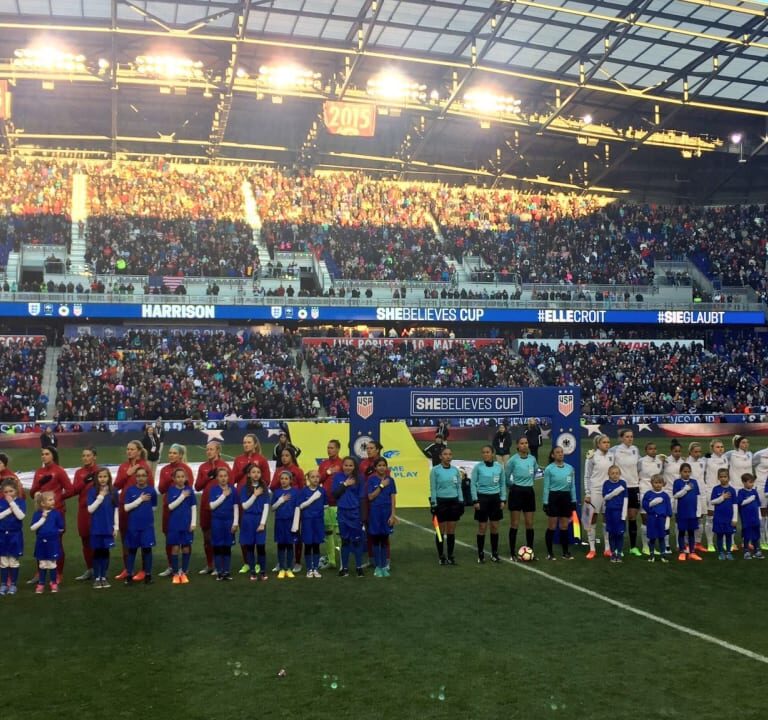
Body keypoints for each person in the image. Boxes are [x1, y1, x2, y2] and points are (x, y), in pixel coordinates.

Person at [30, 447, 72, 584]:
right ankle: (39, 572)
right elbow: (32, 492)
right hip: (41, 513)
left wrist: (58, 498)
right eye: (42, 454)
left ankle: (58, 573)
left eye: (47, 454)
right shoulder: (39, 472)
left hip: (57, 512)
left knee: (57, 542)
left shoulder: (59, 471)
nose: (44, 456)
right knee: (41, 540)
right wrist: (36, 493)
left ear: (53, 456)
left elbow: (70, 489)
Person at [113, 440, 153, 580]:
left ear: (138, 451)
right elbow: (116, 486)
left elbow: (151, 488)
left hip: (140, 509)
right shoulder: (123, 467)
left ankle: (143, 570)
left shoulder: (144, 467)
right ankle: (127, 569)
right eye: (127, 449)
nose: (128, 451)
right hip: (125, 507)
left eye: (131, 449)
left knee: (142, 539)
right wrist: (127, 474)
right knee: (125, 539)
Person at [194, 441, 230, 576]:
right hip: (205, 505)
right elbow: (197, 487)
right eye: (207, 449)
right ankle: (210, 564)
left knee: (218, 536)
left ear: (218, 451)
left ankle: (219, 565)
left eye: (211, 449)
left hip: (221, 507)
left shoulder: (224, 466)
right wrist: (208, 477)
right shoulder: (203, 467)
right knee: (207, 537)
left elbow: (230, 485)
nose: (208, 451)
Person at [157, 444, 194, 577]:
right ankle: (171, 566)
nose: (171, 455)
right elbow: (161, 489)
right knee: (170, 538)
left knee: (185, 540)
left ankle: (185, 567)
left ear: (180, 455)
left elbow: (189, 488)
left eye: (174, 453)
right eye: (170, 453)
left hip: (184, 511)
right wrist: (168, 481)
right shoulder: (164, 470)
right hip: (169, 509)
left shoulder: (186, 469)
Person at [470, 445, 506, 563]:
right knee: (482, 527)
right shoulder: (478, 468)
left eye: (487, 452)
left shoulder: (499, 467)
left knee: (495, 527)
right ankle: (480, 554)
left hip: (495, 499)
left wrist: (503, 499)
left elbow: (502, 484)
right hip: (482, 499)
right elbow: (473, 484)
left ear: (493, 454)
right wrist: (475, 500)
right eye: (483, 452)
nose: (485, 454)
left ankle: (494, 553)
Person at [429, 446, 463, 565]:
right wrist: (434, 504)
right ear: (440, 457)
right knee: (440, 532)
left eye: (450, 454)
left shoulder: (455, 470)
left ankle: (450, 555)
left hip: (453, 502)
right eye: (445, 454)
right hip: (441, 503)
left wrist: (461, 501)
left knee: (451, 531)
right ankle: (441, 556)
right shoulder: (435, 470)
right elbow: (433, 488)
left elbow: (458, 487)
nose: (448, 456)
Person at [505, 436, 538, 560]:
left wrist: (528, 483)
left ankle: (530, 551)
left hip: (529, 492)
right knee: (515, 523)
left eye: (526, 442)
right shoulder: (513, 460)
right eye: (522, 443)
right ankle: (512, 553)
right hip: (516, 492)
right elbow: (506, 477)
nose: (524, 445)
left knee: (529, 523)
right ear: (517, 446)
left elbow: (535, 472)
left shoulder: (532, 459)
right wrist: (512, 487)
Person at [123, 466, 157, 585]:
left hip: (147, 527)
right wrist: (140, 500)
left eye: (143, 475)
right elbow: (126, 508)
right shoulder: (130, 491)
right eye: (138, 476)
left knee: (147, 550)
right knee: (132, 551)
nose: (141, 478)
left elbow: (154, 507)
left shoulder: (152, 491)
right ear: (135, 478)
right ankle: (129, 575)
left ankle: (148, 575)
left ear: (147, 477)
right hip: (133, 526)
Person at [332, 456, 366, 577]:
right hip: (342, 513)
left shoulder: (360, 478)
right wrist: (345, 484)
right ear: (342, 466)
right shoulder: (338, 477)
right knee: (345, 541)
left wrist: (362, 517)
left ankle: (359, 567)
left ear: (354, 466)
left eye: (350, 465)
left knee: (357, 541)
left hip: (355, 514)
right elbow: (335, 494)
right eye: (346, 465)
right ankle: (344, 568)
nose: (348, 467)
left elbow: (362, 498)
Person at [542, 446, 577, 560]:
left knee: (564, 526)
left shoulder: (570, 468)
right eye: (557, 452)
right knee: (552, 526)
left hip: (566, 498)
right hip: (554, 498)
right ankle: (550, 553)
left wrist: (573, 500)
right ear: (553, 455)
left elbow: (572, 486)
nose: (560, 454)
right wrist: (545, 502)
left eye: (562, 452)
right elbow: (546, 487)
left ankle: (565, 552)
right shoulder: (549, 469)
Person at [87, 468, 119, 589]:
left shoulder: (114, 491)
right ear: (96, 478)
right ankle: (97, 577)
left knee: (105, 552)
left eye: (105, 476)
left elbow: (116, 509)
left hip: (107, 528)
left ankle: (104, 577)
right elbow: (90, 509)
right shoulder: (92, 492)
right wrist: (100, 496)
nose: (102, 479)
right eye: (100, 477)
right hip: (96, 528)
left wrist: (116, 527)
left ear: (109, 478)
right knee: (97, 552)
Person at [611, 429, 641, 556]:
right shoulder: (614, 450)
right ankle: (618, 547)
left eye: (631, 436)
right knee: (620, 517)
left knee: (632, 517)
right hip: (621, 488)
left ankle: (633, 547)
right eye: (627, 436)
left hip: (634, 487)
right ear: (621, 438)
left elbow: (639, 466)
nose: (630, 439)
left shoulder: (635, 450)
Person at [583, 434, 613, 560]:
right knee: (591, 519)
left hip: (609, 491)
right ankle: (592, 549)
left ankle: (607, 548)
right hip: (595, 491)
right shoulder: (591, 457)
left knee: (607, 518)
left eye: (608, 442)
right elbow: (587, 476)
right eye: (604, 442)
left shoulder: (612, 456)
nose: (607, 444)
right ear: (598, 444)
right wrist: (588, 493)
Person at [71, 447, 99, 581]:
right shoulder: (79, 473)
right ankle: (90, 569)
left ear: (94, 457)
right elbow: (74, 490)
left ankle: (99, 570)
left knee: (98, 541)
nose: (85, 458)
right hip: (83, 511)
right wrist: (85, 481)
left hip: (97, 511)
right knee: (85, 540)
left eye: (88, 455)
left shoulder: (101, 472)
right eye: (84, 456)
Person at [294, 469, 327, 578]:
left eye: (317, 477)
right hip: (307, 521)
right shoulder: (303, 492)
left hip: (318, 522)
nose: (315, 479)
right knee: (308, 545)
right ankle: (309, 569)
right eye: (313, 477)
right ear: (308, 478)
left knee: (316, 545)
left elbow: (325, 506)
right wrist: (312, 499)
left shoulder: (322, 491)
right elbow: (300, 506)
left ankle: (316, 568)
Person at [367, 458, 397, 578]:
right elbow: (370, 497)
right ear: (375, 467)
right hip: (375, 512)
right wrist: (381, 486)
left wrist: (393, 514)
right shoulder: (371, 480)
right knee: (376, 539)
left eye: (384, 465)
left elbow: (393, 498)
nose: (381, 467)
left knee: (384, 539)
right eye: (379, 465)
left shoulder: (391, 480)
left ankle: (384, 566)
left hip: (386, 512)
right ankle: (378, 566)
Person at [239, 463, 269, 581]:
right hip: (248, 520)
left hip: (259, 519)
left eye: (258, 472)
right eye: (253, 472)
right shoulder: (245, 489)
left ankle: (262, 571)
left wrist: (262, 523)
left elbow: (266, 506)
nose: (256, 474)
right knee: (250, 547)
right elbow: (245, 506)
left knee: (261, 547)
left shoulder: (264, 487)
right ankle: (252, 571)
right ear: (249, 474)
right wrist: (255, 495)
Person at [30, 490, 64, 593]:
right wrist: (43, 519)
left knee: (52, 563)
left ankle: (53, 583)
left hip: (52, 542)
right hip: (41, 542)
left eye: (53, 499)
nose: (53, 501)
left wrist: (53, 533)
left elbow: (61, 527)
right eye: (50, 500)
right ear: (42, 503)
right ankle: (41, 583)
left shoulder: (56, 514)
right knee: (42, 564)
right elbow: (33, 528)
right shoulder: (37, 514)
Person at [209, 467, 239, 582]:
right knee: (217, 547)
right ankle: (219, 572)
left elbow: (236, 507)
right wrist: (223, 496)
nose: (223, 478)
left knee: (227, 547)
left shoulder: (233, 490)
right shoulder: (214, 490)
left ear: (228, 477)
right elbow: (212, 506)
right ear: (217, 478)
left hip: (229, 522)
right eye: (220, 476)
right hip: (217, 522)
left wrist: (235, 523)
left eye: (225, 476)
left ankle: (226, 571)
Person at [167, 468, 197, 584]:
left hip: (186, 524)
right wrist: (182, 496)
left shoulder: (190, 490)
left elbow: (193, 507)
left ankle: (184, 572)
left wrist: (193, 523)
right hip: (174, 524)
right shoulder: (171, 490)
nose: (180, 479)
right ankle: (175, 573)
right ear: (174, 479)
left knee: (185, 547)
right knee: (175, 548)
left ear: (186, 478)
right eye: (178, 477)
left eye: (182, 476)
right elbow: (170, 507)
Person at [318, 439, 344, 571]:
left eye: (332, 448)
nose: (329, 450)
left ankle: (343, 562)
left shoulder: (343, 464)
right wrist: (327, 472)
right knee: (328, 533)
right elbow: (318, 480)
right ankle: (332, 560)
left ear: (338, 449)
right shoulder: (323, 464)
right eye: (328, 447)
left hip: (339, 504)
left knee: (340, 534)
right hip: (326, 504)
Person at [0, 479, 25, 595]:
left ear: (16, 491)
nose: (8, 494)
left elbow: (20, 516)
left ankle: (13, 584)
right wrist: (9, 510)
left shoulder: (21, 502)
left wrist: (12, 504)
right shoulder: (0, 502)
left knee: (13, 561)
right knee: (3, 561)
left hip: (15, 535)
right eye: (6, 492)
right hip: (2, 535)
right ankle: (4, 584)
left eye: (11, 491)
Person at [672, 462, 702, 562]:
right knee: (681, 532)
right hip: (682, 512)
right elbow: (676, 495)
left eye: (689, 472)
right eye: (685, 472)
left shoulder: (694, 482)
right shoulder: (677, 482)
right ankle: (682, 551)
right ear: (680, 472)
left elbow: (698, 496)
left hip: (692, 512)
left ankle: (692, 552)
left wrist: (698, 512)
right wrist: (685, 489)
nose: (687, 474)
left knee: (691, 532)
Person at [272, 470, 298, 579]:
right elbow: (273, 508)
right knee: (281, 545)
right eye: (282, 478)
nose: (283, 480)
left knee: (290, 545)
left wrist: (296, 524)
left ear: (290, 480)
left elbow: (298, 508)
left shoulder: (295, 492)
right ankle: (282, 568)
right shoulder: (277, 492)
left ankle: (289, 569)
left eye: (286, 478)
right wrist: (281, 500)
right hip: (280, 522)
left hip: (291, 523)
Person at [638, 442, 663, 555]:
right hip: (644, 490)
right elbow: (636, 474)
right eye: (650, 449)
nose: (653, 451)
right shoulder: (641, 461)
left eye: (655, 448)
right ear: (646, 450)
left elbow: (660, 474)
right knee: (645, 518)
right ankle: (645, 546)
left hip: (656, 492)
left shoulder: (659, 461)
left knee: (654, 519)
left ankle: (652, 546)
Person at [703, 440, 729, 553]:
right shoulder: (707, 460)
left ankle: (723, 542)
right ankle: (710, 543)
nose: (720, 449)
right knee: (710, 517)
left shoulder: (725, 458)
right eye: (718, 447)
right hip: (711, 491)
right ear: (712, 448)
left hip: (724, 490)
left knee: (723, 517)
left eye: (722, 446)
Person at [641, 474, 672, 563]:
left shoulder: (665, 495)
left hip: (662, 519)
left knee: (662, 537)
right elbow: (645, 505)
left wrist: (668, 520)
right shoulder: (648, 494)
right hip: (651, 519)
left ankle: (663, 555)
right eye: (656, 482)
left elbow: (668, 508)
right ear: (651, 483)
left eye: (660, 483)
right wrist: (652, 503)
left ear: (663, 484)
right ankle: (651, 555)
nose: (658, 485)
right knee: (652, 538)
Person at [602, 465, 628, 563]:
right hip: (610, 512)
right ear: (608, 474)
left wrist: (624, 513)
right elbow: (606, 497)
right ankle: (613, 553)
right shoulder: (606, 484)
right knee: (612, 534)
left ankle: (619, 553)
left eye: (617, 473)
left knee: (620, 534)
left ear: (620, 474)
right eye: (612, 473)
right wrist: (616, 491)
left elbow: (626, 499)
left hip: (620, 513)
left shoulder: (623, 483)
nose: (615, 475)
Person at [710, 468, 737, 561]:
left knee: (729, 535)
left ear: (728, 478)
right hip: (719, 517)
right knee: (720, 535)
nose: (723, 479)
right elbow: (712, 502)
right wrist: (722, 497)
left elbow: (735, 505)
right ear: (718, 478)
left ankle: (729, 552)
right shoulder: (716, 489)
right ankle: (721, 552)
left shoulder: (732, 490)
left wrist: (735, 518)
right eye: (721, 477)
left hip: (729, 517)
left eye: (725, 477)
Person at [685, 442, 707, 553]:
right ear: (690, 452)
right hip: (691, 494)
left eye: (699, 451)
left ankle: (698, 542)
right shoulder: (686, 463)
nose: (698, 454)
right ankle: (687, 543)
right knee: (691, 518)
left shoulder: (702, 462)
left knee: (701, 517)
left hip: (702, 493)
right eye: (695, 452)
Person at [737, 473, 763, 560]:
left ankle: (757, 550)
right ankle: (746, 551)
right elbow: (741, 503)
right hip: (746, 518)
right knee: (747, 535)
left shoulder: (754, 491)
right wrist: (749, 499)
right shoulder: (741, 492)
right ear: (744, 482)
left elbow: (758, 504)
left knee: (756, 534)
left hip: (755, 518)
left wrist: (759, 516)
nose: (752, 484)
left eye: (752, 482)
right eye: (750, 482)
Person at [751, 444, 768, 550]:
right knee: (762, 515)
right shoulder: (759, 454)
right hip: (761, 487)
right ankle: (762, 540)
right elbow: (749, 467)